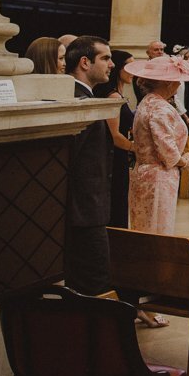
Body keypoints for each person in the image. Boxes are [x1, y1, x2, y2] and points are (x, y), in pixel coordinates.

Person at [64, 35, 116, 297]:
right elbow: (70, 160)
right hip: (84, 210)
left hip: (88, 208)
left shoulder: (84, 97)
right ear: (85, 62)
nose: (112, 64)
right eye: (105, 58)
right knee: (94, 280)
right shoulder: (78, 102)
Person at [126, 52, 189, 234]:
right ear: (167, 82)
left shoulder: (147, 102)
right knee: (157, 227)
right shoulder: (159, 108)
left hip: (145, 172)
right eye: (177, 79)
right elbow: (167, 152)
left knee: (145, 224)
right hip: (158, 176)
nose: (179, 84)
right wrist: (185, 160)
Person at [96, 51, 136, 229]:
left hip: (120, 156)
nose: (132, 71)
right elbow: (115, 136)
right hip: (115, 157)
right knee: (117, 202)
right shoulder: (113, 96)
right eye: (129, 66)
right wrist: (137, 148)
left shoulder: (119, 93)